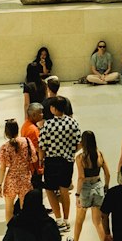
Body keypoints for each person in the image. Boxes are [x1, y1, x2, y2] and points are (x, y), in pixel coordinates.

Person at [39, 95, 81, 233]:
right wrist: (70, 151)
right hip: (67, 161)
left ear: (53, 109)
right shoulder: (73, 123)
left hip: (51, 161)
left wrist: (41, 159)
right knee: (64, 189)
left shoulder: (48, 124)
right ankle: (67, 219)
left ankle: (58, 219)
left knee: (50, 189)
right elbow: (79, 143)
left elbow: (42, 145)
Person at [71, 129, 110, 241]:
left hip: (86, 189)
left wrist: (77, 195)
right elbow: (107, 173)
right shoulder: (100, 154)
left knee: (79, 220)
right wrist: (106, 186)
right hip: (98, 186)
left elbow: (81, 177)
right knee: (97, 222)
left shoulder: (80, 158)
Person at [0, 118, 37, 222]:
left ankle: (11, 231)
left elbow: (2, 168)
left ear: (6, 132)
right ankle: (25, 230)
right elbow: (34, 158)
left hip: (11, 180)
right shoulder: (27, 141)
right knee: (25, 208)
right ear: (18, 129)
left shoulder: (4, 147)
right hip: (25, 178)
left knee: (9, 208)